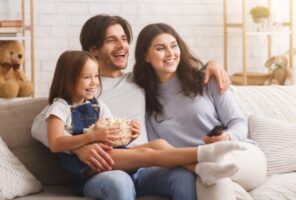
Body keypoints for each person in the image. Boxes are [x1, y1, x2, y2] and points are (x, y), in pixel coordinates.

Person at [32, 14, 232, 200]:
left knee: (182, 176)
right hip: (108, 166)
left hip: (144, 164)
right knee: (119, 181)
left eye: (124, 38)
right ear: (93, 51)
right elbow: (39, 126)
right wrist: (78, 147)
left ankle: (202, 164)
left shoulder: (140, 80)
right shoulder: (81, 89)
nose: (123, 46)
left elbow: (172, 68)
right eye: (112, 40)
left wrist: (211, 65)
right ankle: (203, 156)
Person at [132, 23, 267, 199]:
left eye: (174, 46)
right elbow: (160, 154)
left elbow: (238, 122)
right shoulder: (144, 99)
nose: (170, 53)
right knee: (213, 181)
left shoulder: (206, 79)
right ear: (146, 56)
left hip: (241, 155)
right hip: (202, 169)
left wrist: (227, 137)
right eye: (160, 48)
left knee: (213, 172)